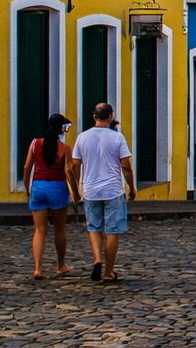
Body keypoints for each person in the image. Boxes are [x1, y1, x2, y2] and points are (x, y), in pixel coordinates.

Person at [73, 102, 135, 283]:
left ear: (94, 117)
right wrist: (131, 187)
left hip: (90, 189)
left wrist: (77, 187)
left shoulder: (82, 137)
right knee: (112, 231)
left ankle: (97, 260)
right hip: (113, 189)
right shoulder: (117, 138)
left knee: (94, 228)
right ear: (111, 117)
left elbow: (75, 165)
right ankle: (108, 272)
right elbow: (126, 166)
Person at [23, 113, 78, 279]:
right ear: (62, 130)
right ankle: (61, 264)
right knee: (60, 229)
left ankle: (38, 268)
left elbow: (27, 168)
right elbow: (68, 170)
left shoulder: (35, 143)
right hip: (58, 188)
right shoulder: (65, 148)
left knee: (39, 231)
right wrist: (75, 192)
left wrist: (28, 189)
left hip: (38, 187)